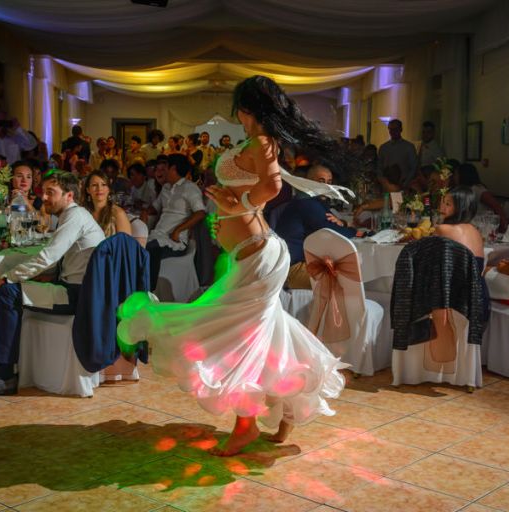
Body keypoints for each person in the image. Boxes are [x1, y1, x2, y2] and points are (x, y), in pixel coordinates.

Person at [117, 75, 349, 456]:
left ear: (245, 109)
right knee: (265, 332)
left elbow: (273, 188)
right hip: (252, 250)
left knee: (238, 336)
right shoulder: (255, 141)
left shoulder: (260, 141)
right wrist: (231, 210)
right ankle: (289, 407)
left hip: (258, 251)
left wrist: (234, 205)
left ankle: (246, 425)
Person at [0, 172, 105, 398]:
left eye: (51, 192)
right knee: (17, 286)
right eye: (43, 192)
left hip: (78, 295)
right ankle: (5, 368)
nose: (44, 198)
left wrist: (6, 278)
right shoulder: (75, 215)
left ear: (69, 195)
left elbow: (49, 256)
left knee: (9, 292)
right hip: (82, 290)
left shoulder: (75, 216)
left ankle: (4, 374)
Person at [275, 162, 359, 289]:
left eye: (329, 182)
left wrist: (343, 223)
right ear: (309, 181)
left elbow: (332, 224)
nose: (326, 186)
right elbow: (333, 233)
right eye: (321, 181)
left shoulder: (313, 201)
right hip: (292, 270)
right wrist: (354, 231)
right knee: (346, 277)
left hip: (296, 264)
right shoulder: (306, 203)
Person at [144, 154, 206, 289]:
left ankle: (149, 290)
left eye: (165, 167)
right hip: (157, 235)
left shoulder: (190, 188)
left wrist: (178, 230)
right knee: (138, 247)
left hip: (175, 240)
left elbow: (200, 213)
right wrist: (145, 212)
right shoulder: (166, 188)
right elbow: (155, 207)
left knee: (150, 250)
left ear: (173, 168)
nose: (162, 171)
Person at [435, 186, 489, 319]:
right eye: (443, 202)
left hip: (458, 296)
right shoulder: (475, 230)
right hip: (480, 294)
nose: (442, 208)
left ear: (461, 208)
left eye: (448, 204)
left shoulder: (443, 229)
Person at [454, 163, 509, 231]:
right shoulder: (464, 190)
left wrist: (503, 225)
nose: (454, 177)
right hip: (471, 225)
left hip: (482, 226)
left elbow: (496, 206)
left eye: (456, 174)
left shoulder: (477, 189)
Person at [82, 170, 133, 237]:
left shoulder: (118, 213)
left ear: (108, 189)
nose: (99, 188)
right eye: (94, 185)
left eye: (104, 185)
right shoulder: (84, 213)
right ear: (88, 190)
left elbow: (125, 244)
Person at [377, 119, 417, 186]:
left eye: (395, 129)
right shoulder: (383, 148)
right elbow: (379, 167)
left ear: (400, 129)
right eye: (391, 129)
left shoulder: (409, 147)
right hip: (387, 185)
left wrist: (405, 183)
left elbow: (413, 168)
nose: (392, 131)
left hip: (403, 185)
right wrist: (383, 182)